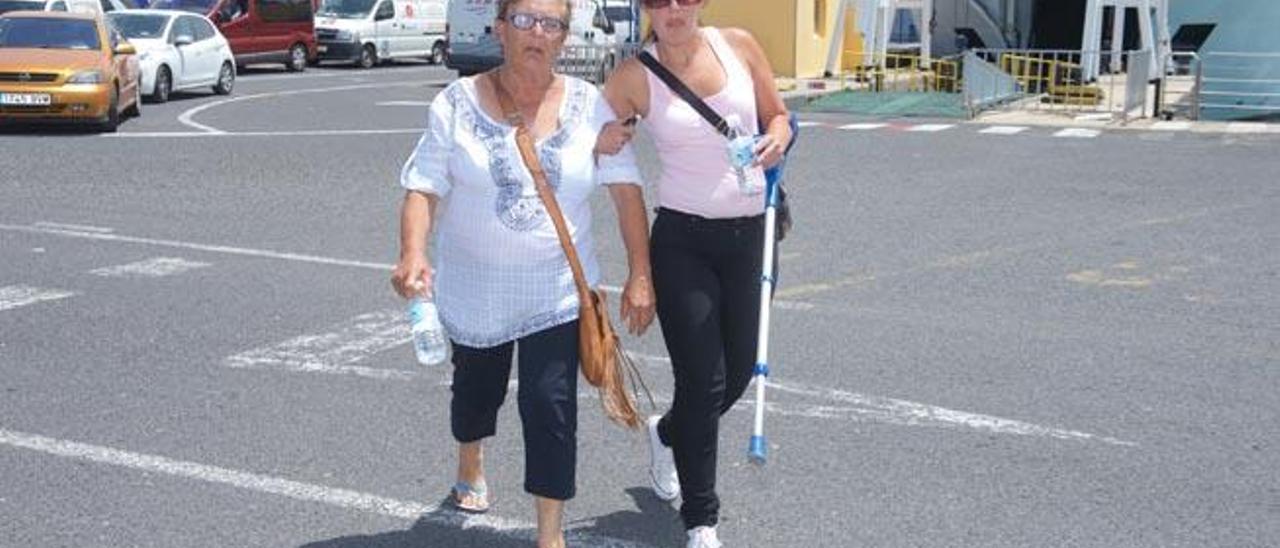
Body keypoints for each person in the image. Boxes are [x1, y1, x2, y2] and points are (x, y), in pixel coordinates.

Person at [389, 0, 655, 546]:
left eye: (551, 24)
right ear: (500, 29)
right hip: (475, 291)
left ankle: (549, 534)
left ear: (564, 37)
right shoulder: (456, 104)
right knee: (475, 394)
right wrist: (413, 251)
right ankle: (470, 458)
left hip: (554, 291)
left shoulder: (591, 107)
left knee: (549, 403)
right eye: (525, 21)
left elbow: (627, 192)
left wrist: (640, 273)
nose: (538, 33)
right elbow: (423, 184)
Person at [599, 1, 791, 546]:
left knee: (737, 374)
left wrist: (778, 136)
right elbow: (582, 130)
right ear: (645, 8)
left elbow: (777, 114)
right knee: (703, 380)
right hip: (683, 242)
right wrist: (603, 137)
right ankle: (701, 519)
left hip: (753, 235)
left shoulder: (739, 45)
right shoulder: (635, 75)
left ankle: (668, 433)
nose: (674, 9)